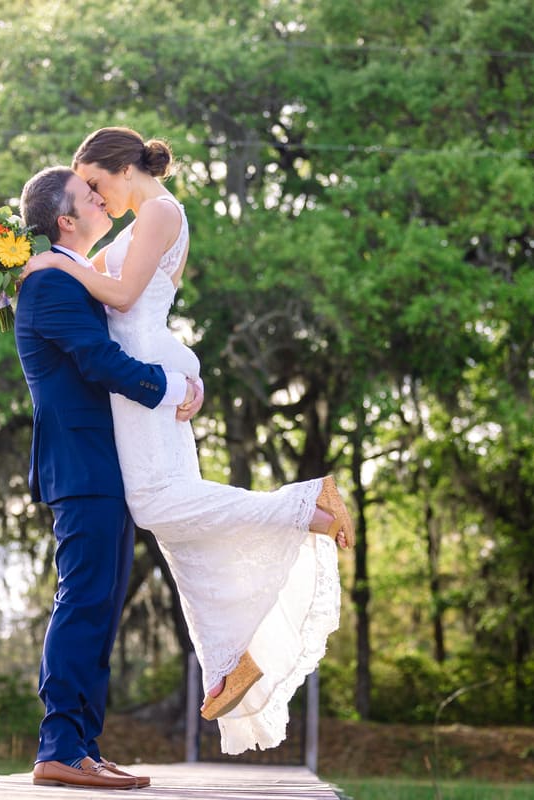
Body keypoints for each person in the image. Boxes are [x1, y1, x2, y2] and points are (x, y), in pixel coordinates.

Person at [21, 126, 354, 756]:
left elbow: (117, 297)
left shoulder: (160, 213)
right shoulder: (124, 232)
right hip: (145, 378)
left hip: (146, 373)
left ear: (120, 169)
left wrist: (49, 262)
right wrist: (41, 260)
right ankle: (229, 655)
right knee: (170, 508)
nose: (96, 198)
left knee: (162, 505)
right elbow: (88, 287)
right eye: (84, 193)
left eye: (95, 183)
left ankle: (305, 509)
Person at [15, 165, 204, 789]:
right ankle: (61, 748)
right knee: (85, 603)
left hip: (107, 464)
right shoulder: (49, 286)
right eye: (89, 195)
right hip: (85, 467)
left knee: (98, 605)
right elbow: (100, 363)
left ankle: (81, 747)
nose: (103, 199)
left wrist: (184, 379)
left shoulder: (75, 279)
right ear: (67, 219)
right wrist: (170, 386)